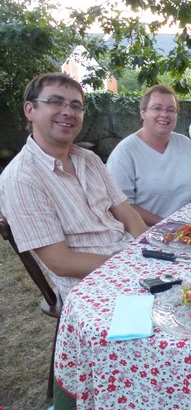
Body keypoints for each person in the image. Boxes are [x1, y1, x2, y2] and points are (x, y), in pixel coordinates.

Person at [0, 73, 147, 299]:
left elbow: (129, 216)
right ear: (30, 110)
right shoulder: (21, 178)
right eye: (55, 101)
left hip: (133, 264)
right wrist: (130, 265)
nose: (68, 112)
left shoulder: (90, 159)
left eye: (76, 106)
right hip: (91, 288)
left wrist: (148, 252)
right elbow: (60, 262)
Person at [106, 85, 191, 225]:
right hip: (147, 231)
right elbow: (122, 207)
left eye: (171, 110)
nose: (164, 114)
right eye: (157, 108)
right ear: (143, 113)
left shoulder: (185, 143)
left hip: (190, 226)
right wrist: (168, 224)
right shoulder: (125, 152)